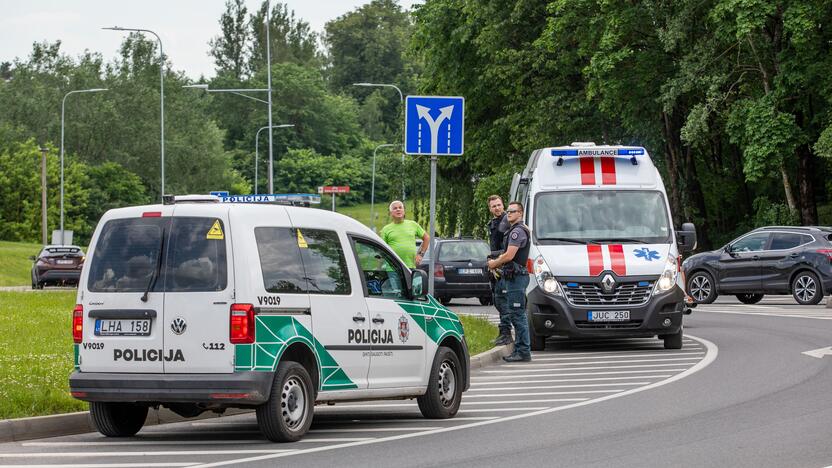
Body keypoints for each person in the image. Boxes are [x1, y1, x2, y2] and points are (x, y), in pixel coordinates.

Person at [487, 201, 532, 362]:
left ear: (520, 213)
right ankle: (520, 349)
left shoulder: (517, 232)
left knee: (518, 315)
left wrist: (494, 263)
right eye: (509, 211)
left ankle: (523, 351)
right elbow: (505, 253)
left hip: (517, 278)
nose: (509, 214)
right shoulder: (513, 230)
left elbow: (509, 255)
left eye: (512, 211)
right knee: (515, 314)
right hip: (514, 277)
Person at [486, 195, 513, 345]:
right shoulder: (493, 223)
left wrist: (492, 256)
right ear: (490, 209)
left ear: (503, 205)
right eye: (493, 206)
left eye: (498, 205)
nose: (497, 208)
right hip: (496, 266)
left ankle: (506, 334)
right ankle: (503, 332)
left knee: (503, 300)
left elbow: (508, 248)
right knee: (498, 300)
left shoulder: (507, 222)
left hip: (505, 265)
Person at [381, 200, 430, 269]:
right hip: (392, 268)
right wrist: (379, 267)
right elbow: (381, 249)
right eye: (395, 208)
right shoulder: (385, 229)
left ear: (404, 211)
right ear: (391, 213)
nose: (398, 209)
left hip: (410, 266)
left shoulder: (413, 224)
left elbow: (427, 238)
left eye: (400, 207)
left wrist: (420, 255)